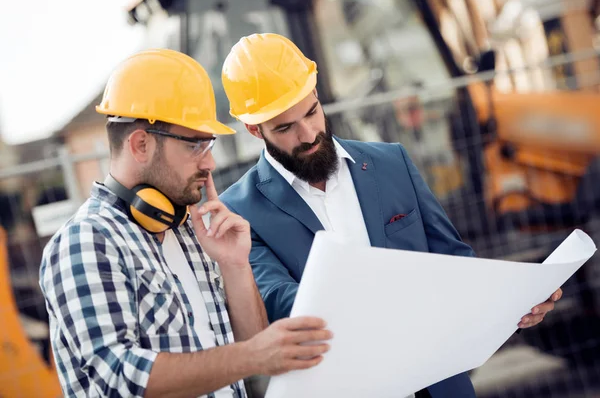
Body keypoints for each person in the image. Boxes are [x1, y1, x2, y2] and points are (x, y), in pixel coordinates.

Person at [218, 33, 563, 398]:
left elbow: (454, 261)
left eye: (311, 111)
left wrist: (512, 302)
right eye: (285, 128)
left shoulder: (391, 163)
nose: (308, 134)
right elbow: (280, 301)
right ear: (255, 129)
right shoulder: (240, 211)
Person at [39, 48, 332, 398]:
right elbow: (117, 379)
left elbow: (251, 347)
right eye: (196, 146)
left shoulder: (192, 229)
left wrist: (235, 265)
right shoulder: (86, 241)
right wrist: (252, 355)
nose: (209, 163)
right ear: (140, 144)